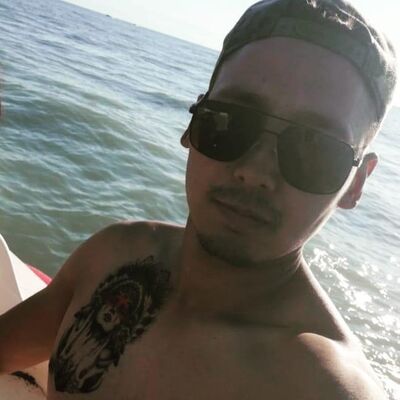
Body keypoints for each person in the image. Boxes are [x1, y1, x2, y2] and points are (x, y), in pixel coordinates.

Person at [0, 0, 397, 398]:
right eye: (230, 121)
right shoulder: (111, 257)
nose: (255, 172)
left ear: (356, 183)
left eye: (316, 150)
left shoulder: (324, 387)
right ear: (192, 125)